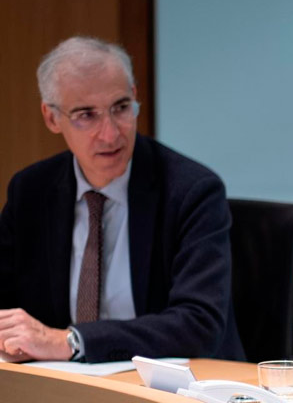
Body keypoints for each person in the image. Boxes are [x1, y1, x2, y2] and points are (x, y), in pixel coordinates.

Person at [0, 36, 242, 363]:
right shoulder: (31, 191)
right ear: (51, 118)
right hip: (63, 388)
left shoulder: (192, 191)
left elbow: (199, 323)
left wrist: (72, 341)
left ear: (135, 97)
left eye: (121, 108)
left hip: (174, 388)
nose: (111, 134)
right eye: (87, 115)